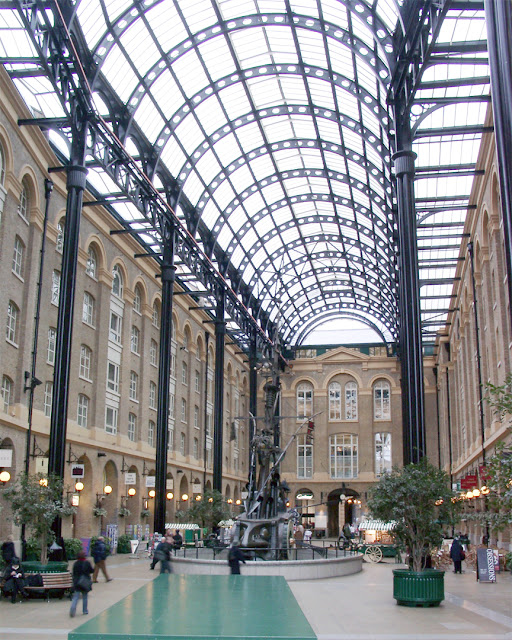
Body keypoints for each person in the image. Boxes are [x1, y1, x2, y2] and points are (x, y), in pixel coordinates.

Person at [70, 549, 94, 617]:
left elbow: (74, 573)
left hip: (77, 582)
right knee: (85, 597)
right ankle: (85, 610)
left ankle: (73, 608)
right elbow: (91, 571)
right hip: (85, 582)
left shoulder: (76, 563)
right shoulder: (87, 563)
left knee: (76, 597)